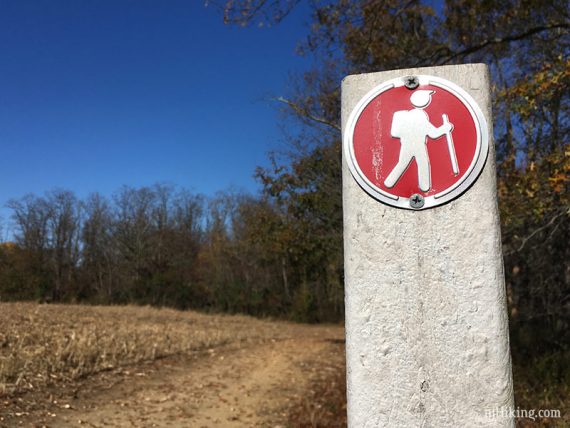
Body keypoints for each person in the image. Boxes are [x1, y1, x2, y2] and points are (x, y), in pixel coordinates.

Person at [384, 90, 453, 192]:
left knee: (402, 163)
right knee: (423, 163)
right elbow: (433, 134)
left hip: (406, 144)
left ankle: (389, 182)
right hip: (419, 145)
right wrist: (445, 128)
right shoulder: (420, 116)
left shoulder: (405, 116)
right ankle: (425, 187)